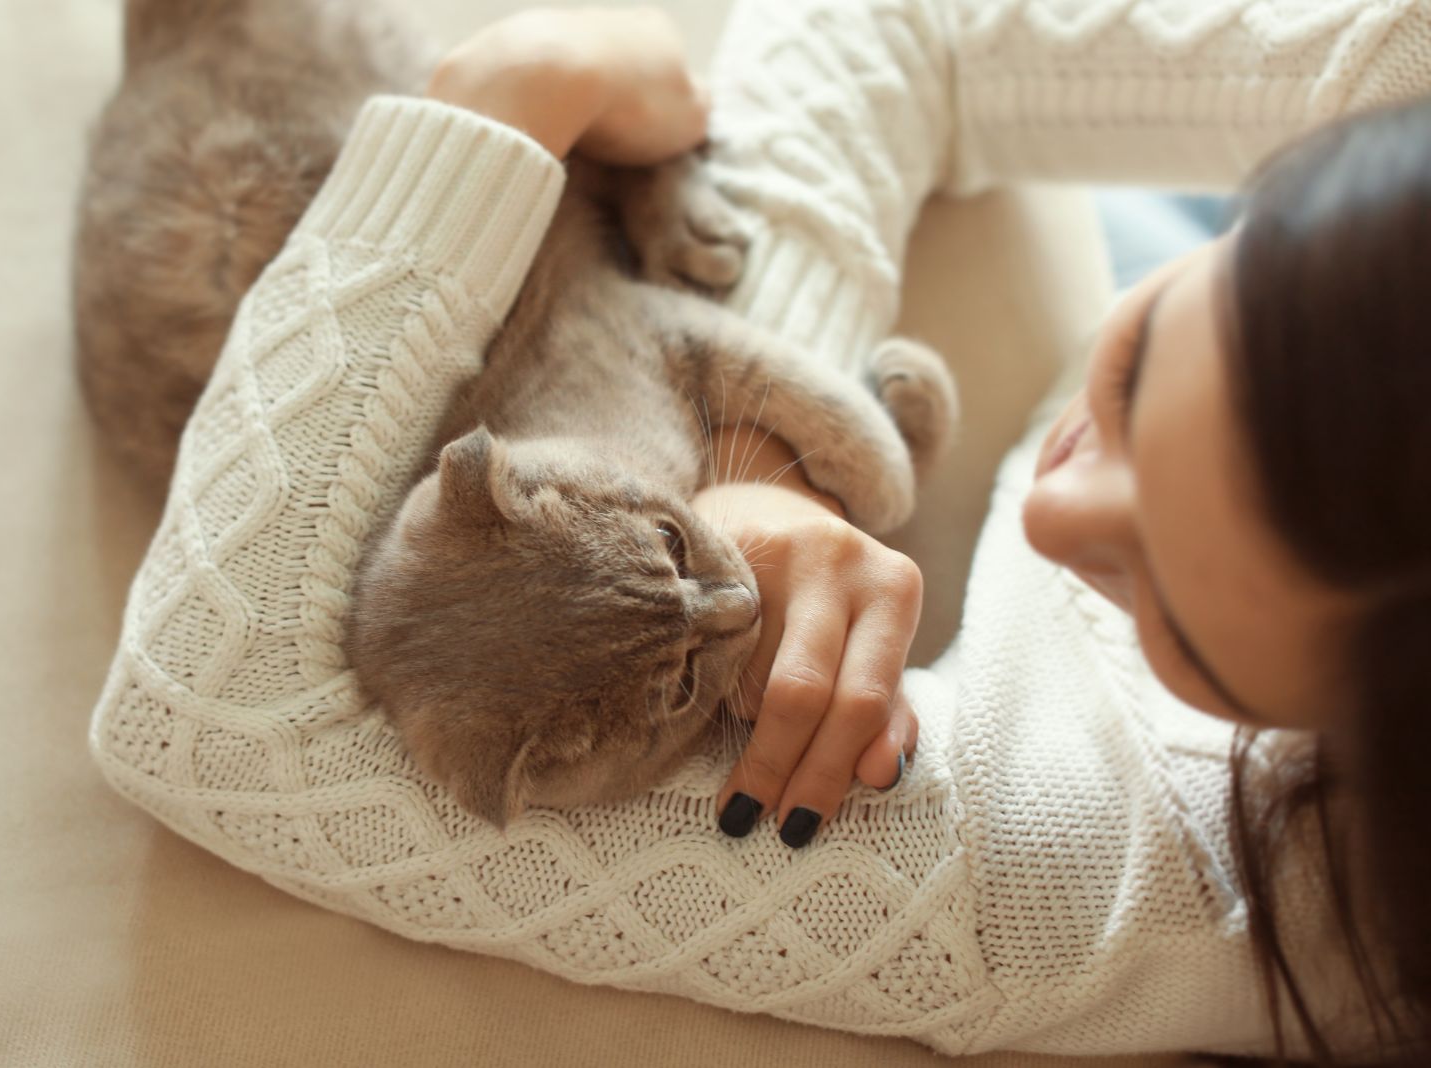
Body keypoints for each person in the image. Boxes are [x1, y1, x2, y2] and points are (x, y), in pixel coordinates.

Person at [93, 0, 1431, 1060]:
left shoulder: (1143, 886)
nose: (1042, 510)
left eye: (1176, 624)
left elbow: (208, 716)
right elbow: (906, 20)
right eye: (1139, 367)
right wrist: (760, 471)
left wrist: (502, 100)